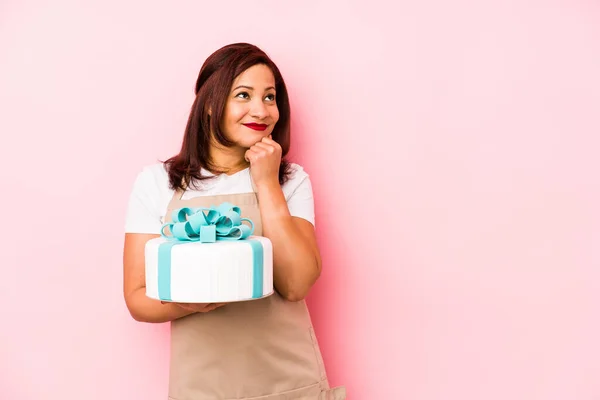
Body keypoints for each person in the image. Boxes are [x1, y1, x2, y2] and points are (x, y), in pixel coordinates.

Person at [122, 43, 346, 400]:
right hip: (201, 388)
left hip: (289, 384)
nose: (261, 110)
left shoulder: (292, 180)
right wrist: (198, 302)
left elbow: (296, 284)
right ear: (210, 102)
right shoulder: (158, 182)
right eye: (244, 94)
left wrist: (266, 183)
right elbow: (137, 298)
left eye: (270, 97)